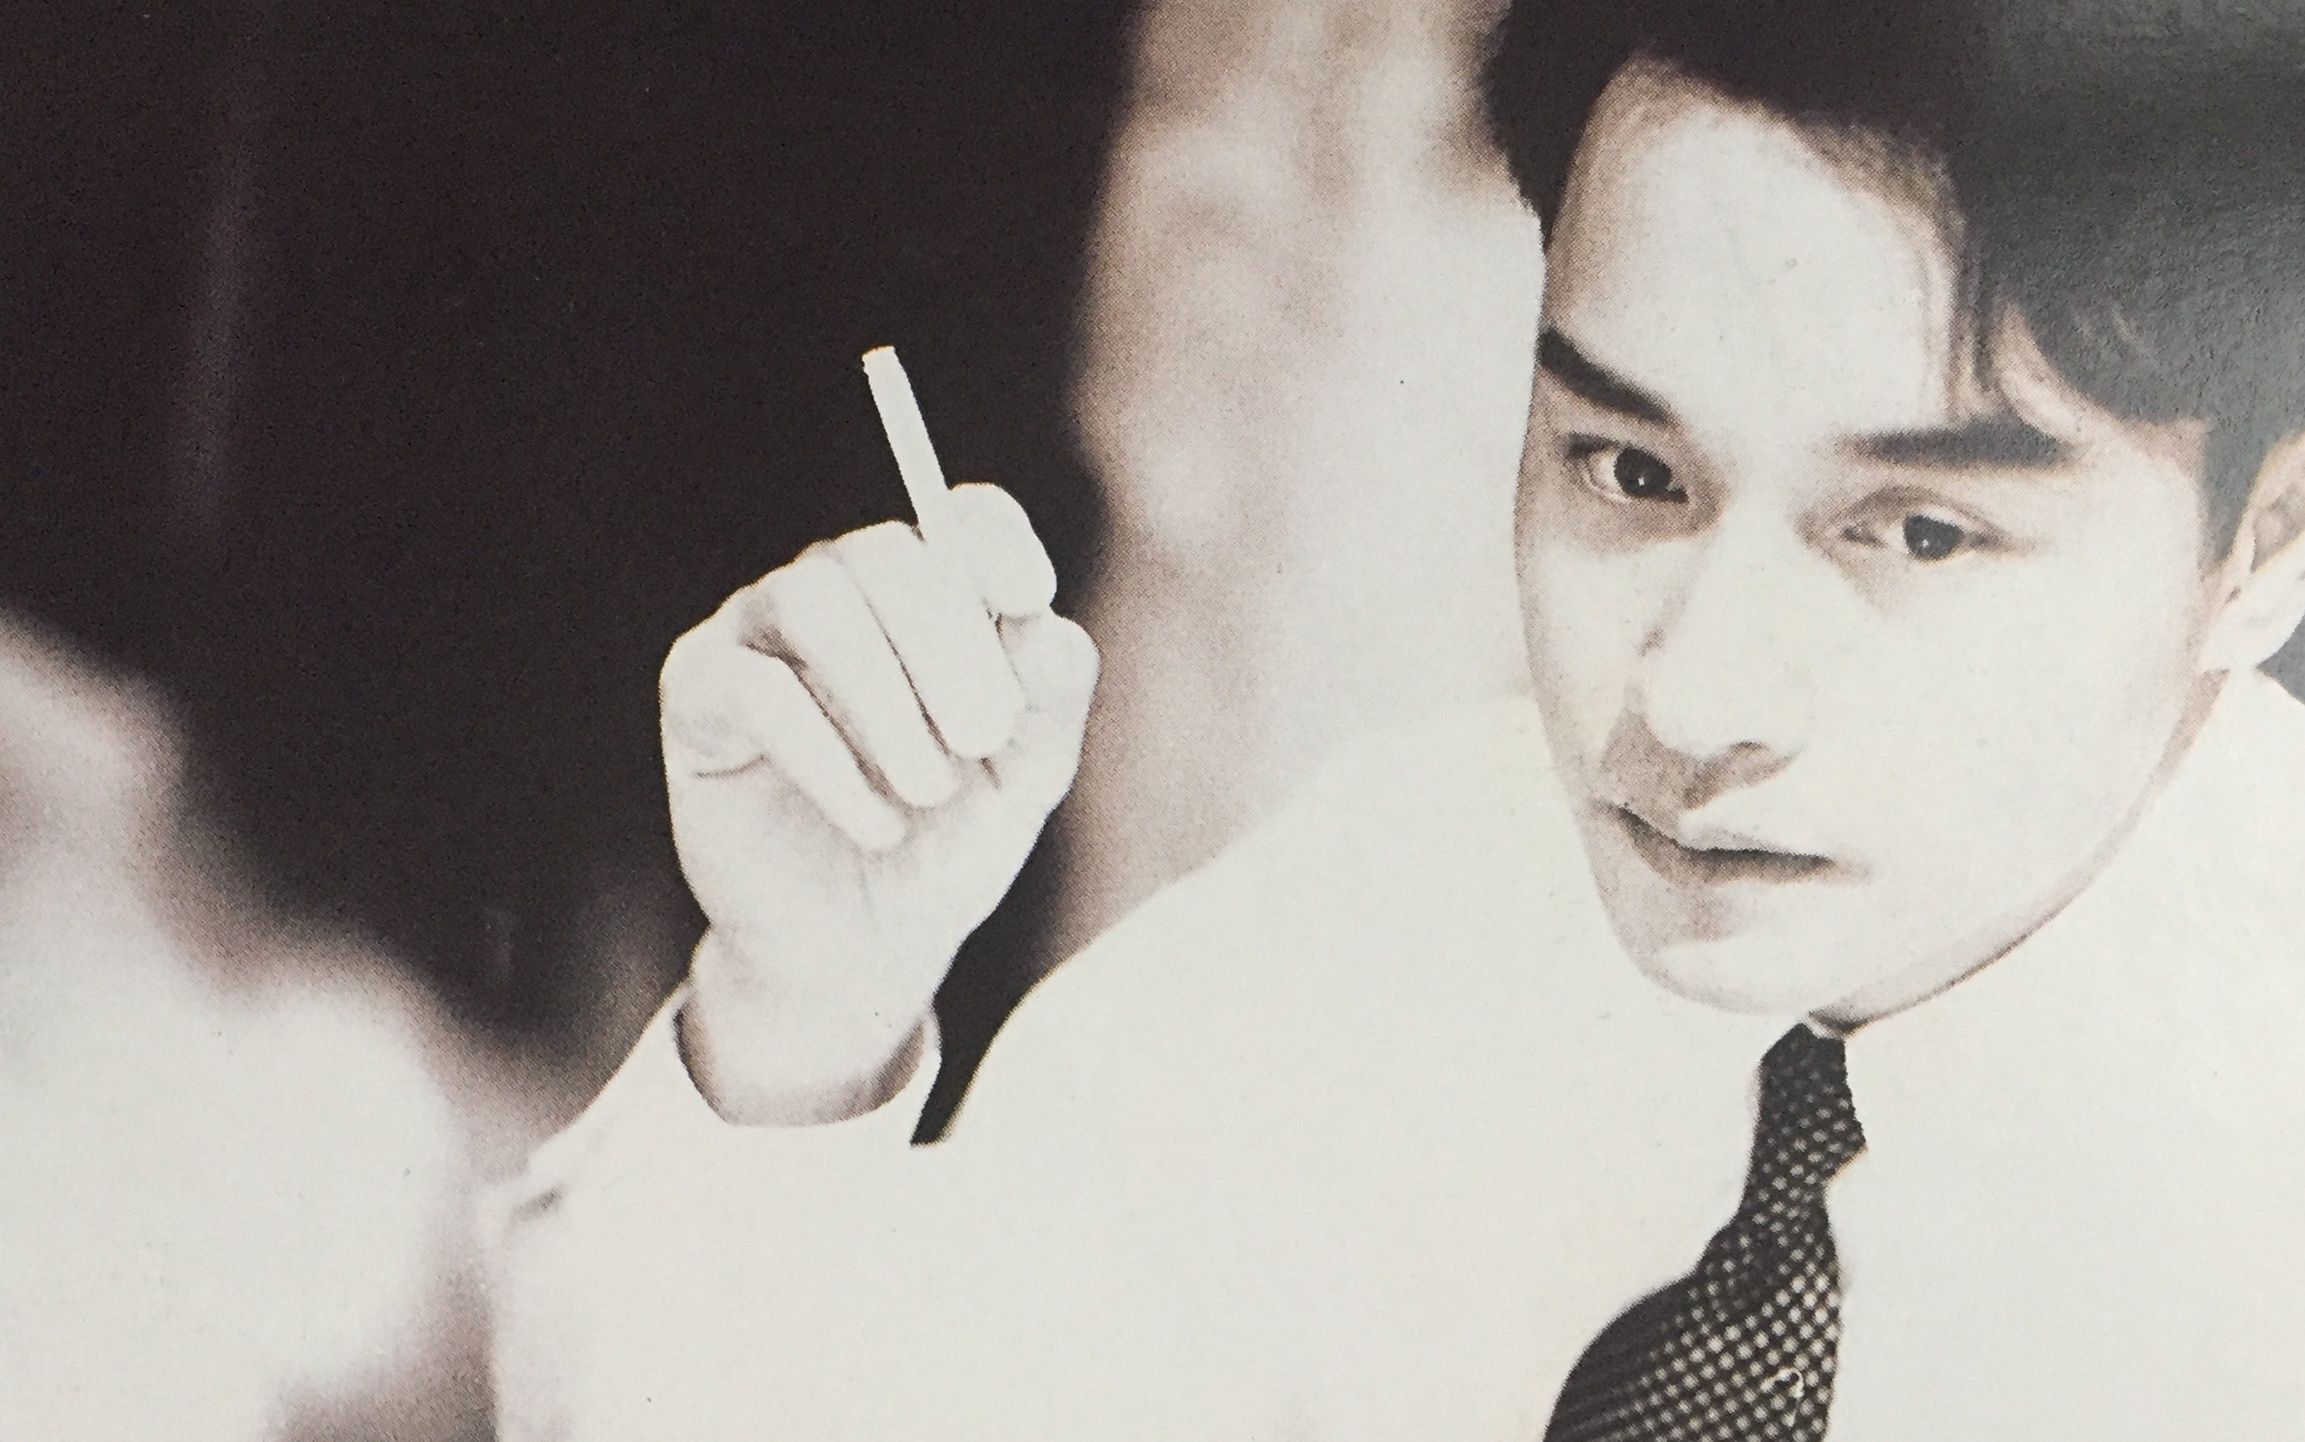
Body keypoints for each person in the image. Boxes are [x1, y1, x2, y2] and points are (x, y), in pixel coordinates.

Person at [486, 0, 2305, 1435]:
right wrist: (804, 1017)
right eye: (1628, 470)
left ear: (2266, 546)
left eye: (1915, 531)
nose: (1691, 696)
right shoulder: (1393, 907)